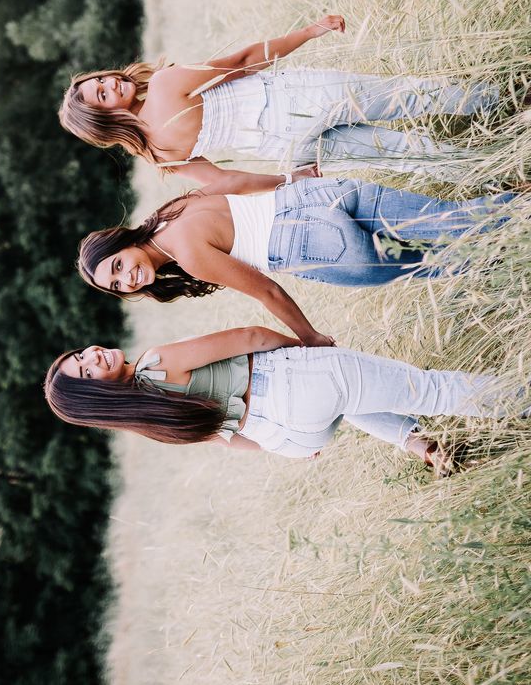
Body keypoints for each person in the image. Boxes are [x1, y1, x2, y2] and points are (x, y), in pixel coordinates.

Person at [58, 17, 498, 187]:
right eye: (102, 94)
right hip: (293, 100)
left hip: (284, 150)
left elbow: (229, 183)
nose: (111, 82)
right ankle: (504, 98)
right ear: (104, 119)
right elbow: (244, 61)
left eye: (102, 79)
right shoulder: (169, 83)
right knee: (405, 97)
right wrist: (306, 33)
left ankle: (494, 176)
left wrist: (291, 178)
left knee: (402, 155)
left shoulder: (159, 155)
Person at [77, 177, 517, 346]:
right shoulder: (171, 211)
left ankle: (510, 244)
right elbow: (236, 182)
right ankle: (516, 216)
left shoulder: (188, 255)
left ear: (121, 243)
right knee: (445, 218)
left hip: (318, 245)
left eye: (117, 266)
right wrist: (292, 178)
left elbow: (266, 290)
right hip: (316, 196)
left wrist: (309, 336)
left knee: (432, 259)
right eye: (118, 286)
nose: (128, 278)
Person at [44, 326, 524, 474]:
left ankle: (416, 445)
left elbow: (226, 441)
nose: (93, 357)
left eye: (81, 355)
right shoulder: (156, 361)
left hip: (284, 435)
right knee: (429, 388)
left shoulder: (151, 423)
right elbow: (249, 336)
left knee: (347, 397)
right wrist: (306, 346)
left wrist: (290, 445)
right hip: (285, 384)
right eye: (86, 372)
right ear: (95, 392)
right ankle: (521, 399)